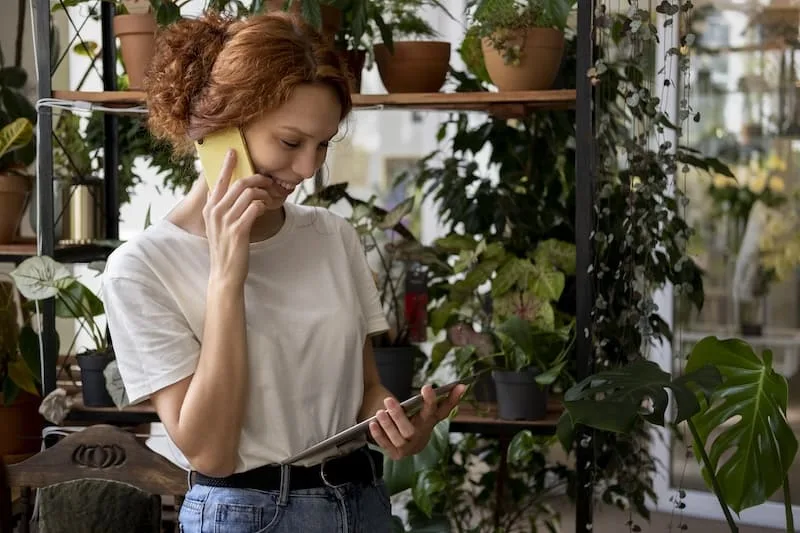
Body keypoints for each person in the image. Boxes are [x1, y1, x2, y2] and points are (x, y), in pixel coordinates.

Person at [101, 9, 465, 533]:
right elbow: (211, 453)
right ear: (221, 124)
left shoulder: (331, 236)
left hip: (361, 502)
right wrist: (227, 273)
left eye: (323, 145)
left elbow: (363, 387)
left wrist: (395, 422)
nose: (308, 169)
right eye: (291, 142)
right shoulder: (140, 269)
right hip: (246, 513)